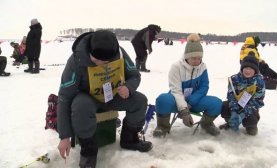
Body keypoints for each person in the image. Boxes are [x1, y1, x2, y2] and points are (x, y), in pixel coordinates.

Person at [57, 30, 153, 168]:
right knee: (80, 104)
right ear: (89, 51)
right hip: (89, 99)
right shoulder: (76, 60)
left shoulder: (119, 53)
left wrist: (128, 87)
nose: (101, 63)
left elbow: (134, 75)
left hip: (113, 95)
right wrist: (64, 136)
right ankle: (88, 152)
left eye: (106, 61)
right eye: (96, 60)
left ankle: (129, 139)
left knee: (140, 100)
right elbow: (64, 97)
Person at [153, 33, 223, 137]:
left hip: (194, 102)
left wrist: (191, 102)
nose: (197, 61)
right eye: (193, 58)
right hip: (176, 101)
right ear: (186, 57)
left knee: (217, 103)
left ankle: (207, 124)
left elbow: (204, 87)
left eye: (199, 58)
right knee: (162, 99)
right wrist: (184, 110)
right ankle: (162, 127)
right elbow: (175, 90)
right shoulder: (176, 67)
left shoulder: (203, 67)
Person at [219, 56, 265, 135]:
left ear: (255, 70)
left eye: (251, 69)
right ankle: (230, 122)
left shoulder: (259, 82)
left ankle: (251, 126)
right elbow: (231, 96)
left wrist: (242, 114)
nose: (248, 71)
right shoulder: (234, 79)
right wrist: (234, 111)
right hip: (236, 104)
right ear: (242, 68)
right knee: (224, 106)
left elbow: (257, 101)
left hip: (250, 107)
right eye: (246, 68)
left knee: (251, 121)